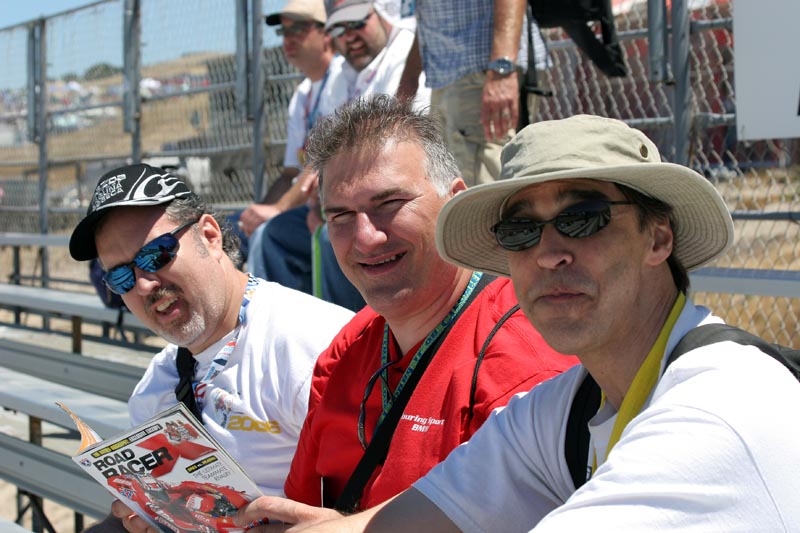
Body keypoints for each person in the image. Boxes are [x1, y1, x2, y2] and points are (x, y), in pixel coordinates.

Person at [279, 114, 800, 531]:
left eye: (583, 218)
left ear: (658, 238)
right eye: (521, 229)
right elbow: (394, 523)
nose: (549, 253)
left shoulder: (714, 411)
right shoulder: (565, 410)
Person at [234, 95, 577, 527]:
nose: (365, 238)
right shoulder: (349, 345)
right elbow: (301, 505)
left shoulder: (522, 359)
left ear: (455, 202)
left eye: (389, 205)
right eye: (340, 215)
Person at [69, 163, 353, 532]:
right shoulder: (157, 386)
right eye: (121, 276)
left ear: (209, 235)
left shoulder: (313, 345)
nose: (143, 285)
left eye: (155, 255)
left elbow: (400, 504)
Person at [254, 0, 430, 312]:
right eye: (339, 29)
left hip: (398, 194)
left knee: (330, 237)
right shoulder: (344, 75)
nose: (349, 37)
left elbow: (392, 151)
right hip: (350, 199)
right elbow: (326, 154)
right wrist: (318, 204)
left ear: (381, 13)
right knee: (276, 234)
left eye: (357, 23)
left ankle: (359, 339)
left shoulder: (405, 53)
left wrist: (327, 210)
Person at [236, 0, 349, 275]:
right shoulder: (302, 94)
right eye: (284, 32)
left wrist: (277, 210)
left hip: (334, 205)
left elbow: (326, 161)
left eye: (298, 29)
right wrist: (259, 210)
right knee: (233, 231)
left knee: (271, 233)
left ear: (327, 33)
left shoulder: (343, 77)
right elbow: (290, 173)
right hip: (307, 202)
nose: (288, 38)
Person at [396, 0, 547, 186]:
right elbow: (429, 18)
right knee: (452, 184)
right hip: (447, 77)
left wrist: (502, 68)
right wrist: (408, 82)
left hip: (483, 73)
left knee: (483, 190)